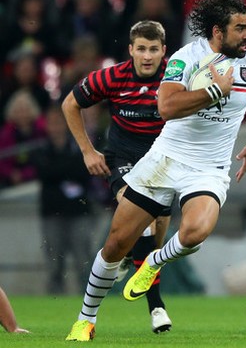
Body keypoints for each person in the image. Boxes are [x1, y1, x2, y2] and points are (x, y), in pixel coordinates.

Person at [65, 0, 246, 342]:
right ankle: (86, 318)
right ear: (217, 31)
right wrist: (214, 91)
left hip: (208, 169)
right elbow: (166, 107)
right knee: (117, 244)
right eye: (240, 28)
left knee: (197, 232)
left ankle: (152, 263)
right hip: (165, 159)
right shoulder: (187, 57)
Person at [61, 20, 173, 333]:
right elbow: (70, 104)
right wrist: (87, 151)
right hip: (123, 161)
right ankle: (157, 309)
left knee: (154, 241)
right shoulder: (113, 76)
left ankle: (127, 257)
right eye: (141, 49)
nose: (147, 55)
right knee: (145, 223)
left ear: (164, 51)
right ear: (131, 50)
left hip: (164, 165)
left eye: (153, 49)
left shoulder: (176, 77)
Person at [33, 105, 94, 294]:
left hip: (77, 212)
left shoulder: (78, 146)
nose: (56, 127)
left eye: (59, 122)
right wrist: (67, 170)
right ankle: (55, 299)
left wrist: (57, 171)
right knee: (54, 263)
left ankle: (89, 300)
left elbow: (84, 171)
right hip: (52, 213)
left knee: (84, 261)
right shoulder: (42, 149)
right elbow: (43, 172)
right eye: (52, 123)